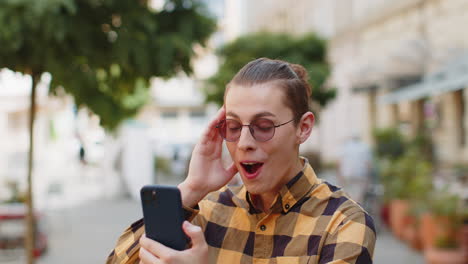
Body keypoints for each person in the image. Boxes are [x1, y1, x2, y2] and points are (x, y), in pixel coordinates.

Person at [106, 58, 376, 264]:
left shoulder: (342, 222)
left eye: (263, 125)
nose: (245, 142)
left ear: (302, 128)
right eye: (234, 126)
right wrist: (192, 188)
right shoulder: (206, 210)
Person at [337, 136, 373, 204]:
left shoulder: (345, 147)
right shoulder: (365, 147)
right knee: (359, 197)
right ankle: (356, 209)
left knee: (348, 195)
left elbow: (339, 162)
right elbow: (368, 164)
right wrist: (369, 177)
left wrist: (339, 176)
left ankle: (350, 210)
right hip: (360, 175)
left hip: (347, 175)